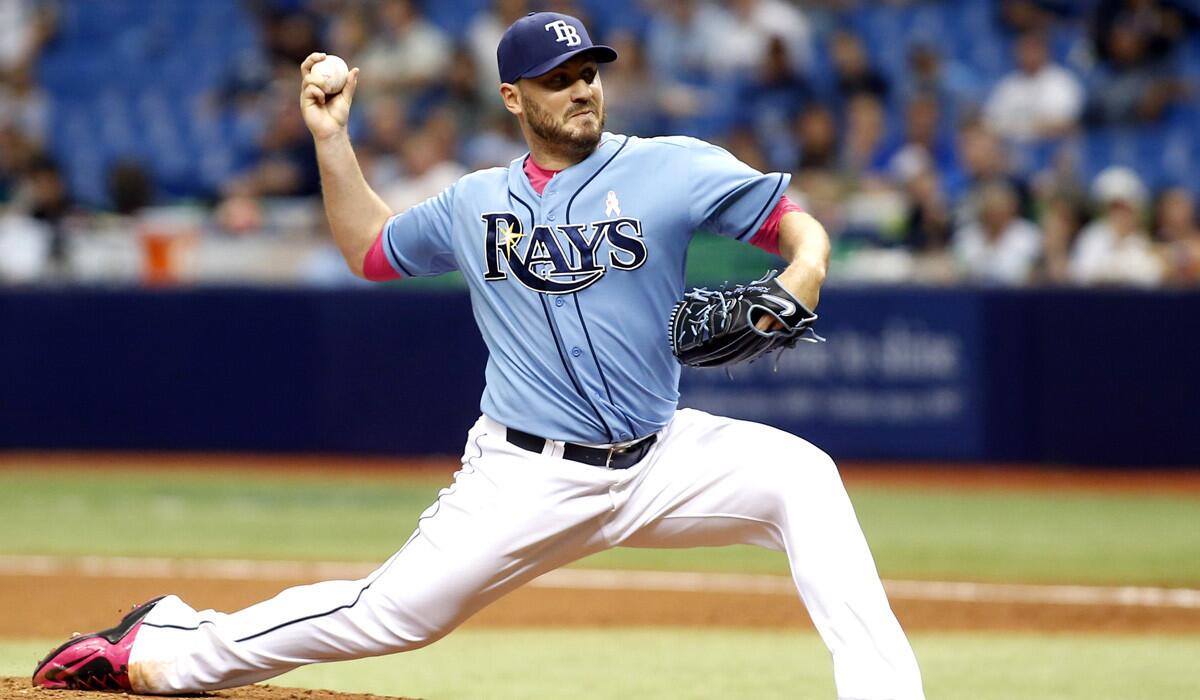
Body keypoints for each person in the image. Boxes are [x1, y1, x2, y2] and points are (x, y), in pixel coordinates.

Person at [32, 13, 925, 700]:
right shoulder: (473, 202)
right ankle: (162, 648)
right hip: (527, 475)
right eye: (557, 79)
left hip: (663, 456)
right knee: (389, 615)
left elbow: (789, 218)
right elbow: (371, 250)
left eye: (588, 73)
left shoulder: (670, 166)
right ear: (513, 98)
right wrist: (332, 140)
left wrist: (806, 268)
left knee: (803, 476)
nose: (581, 90)